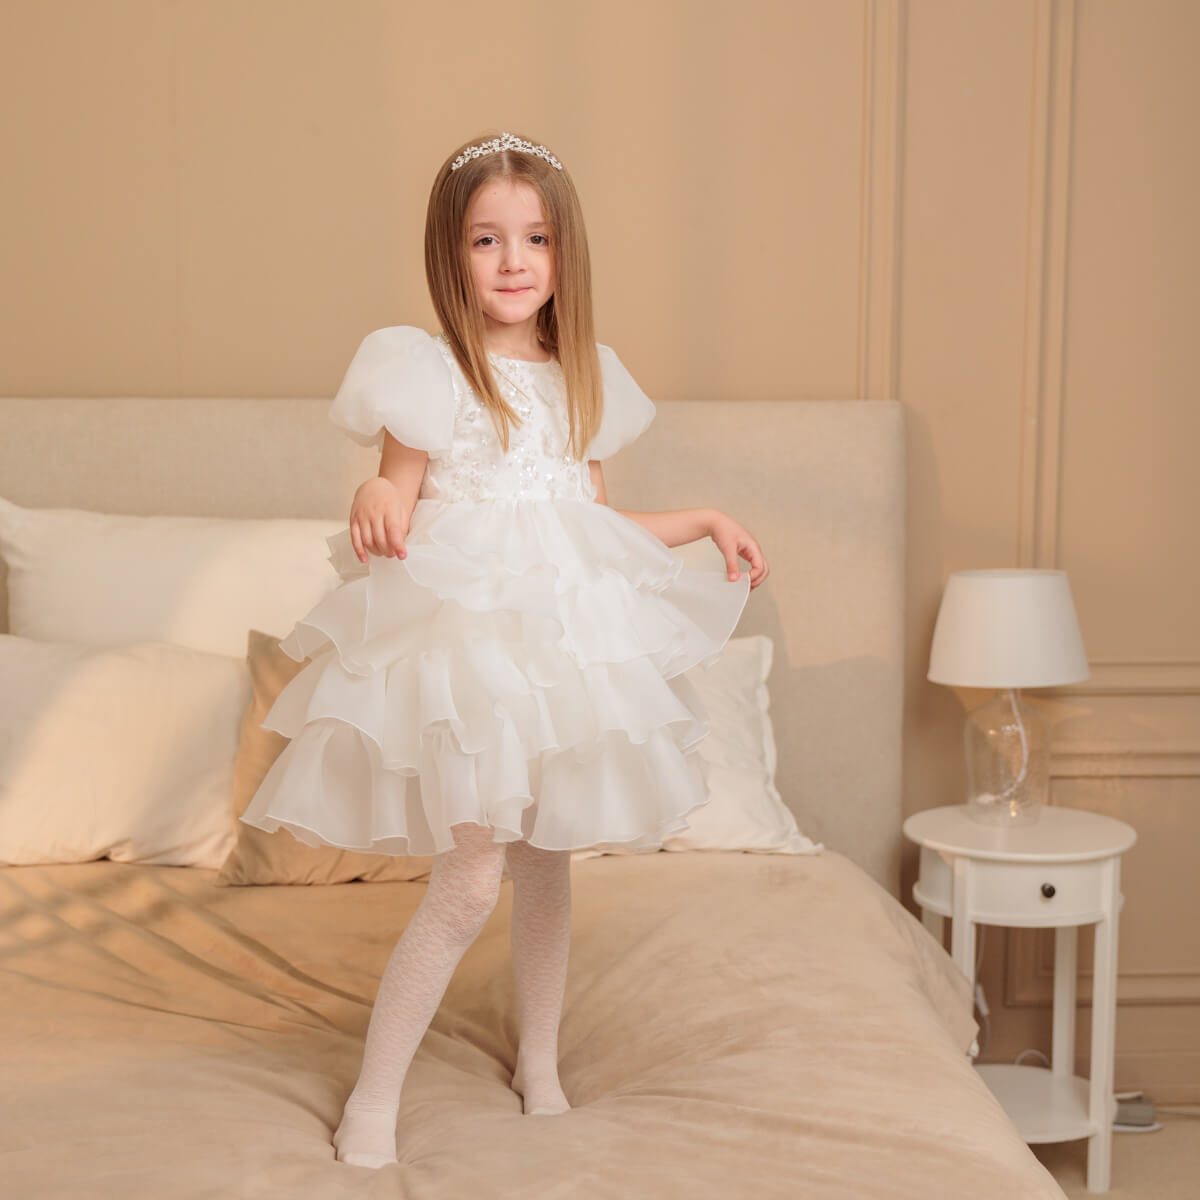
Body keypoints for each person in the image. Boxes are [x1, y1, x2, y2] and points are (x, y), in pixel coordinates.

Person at [239, 129, 770, 1168]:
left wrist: (704, 517)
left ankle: (541, 1065)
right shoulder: (429, 371)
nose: (514, 260)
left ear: (565, 253)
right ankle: (375, 1103)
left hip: (559, 654)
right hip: (475, 646)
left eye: (533, 238)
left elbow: (592, 524)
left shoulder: (587, 380)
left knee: (548, 861)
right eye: (487, 240)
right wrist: (373, 495)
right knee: (472, 876)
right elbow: (399, 483)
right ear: (453, 255)